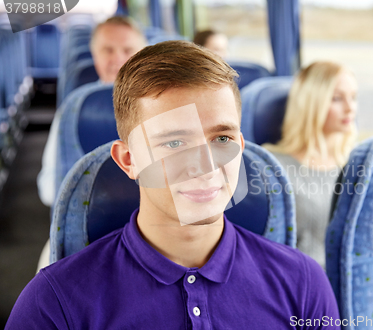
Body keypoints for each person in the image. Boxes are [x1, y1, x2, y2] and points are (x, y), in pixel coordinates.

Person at [6, 41, 340, 329]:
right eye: (175, 143)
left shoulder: (303, 283)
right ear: (128, 160)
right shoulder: (54, 303)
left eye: (221, 138)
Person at [35, 16, 147, 272]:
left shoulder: (167, 108)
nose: (118, 58)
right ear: (94, 55)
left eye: (128, 50)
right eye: (107, 50)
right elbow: (52, 190)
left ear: (143, 53)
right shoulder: (73, 111)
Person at [265, 61, 358, 268]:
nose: (350, 108)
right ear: (311, 103)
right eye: (337, 98)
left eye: (353, 97)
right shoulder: (272, 166)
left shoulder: (358, 162)